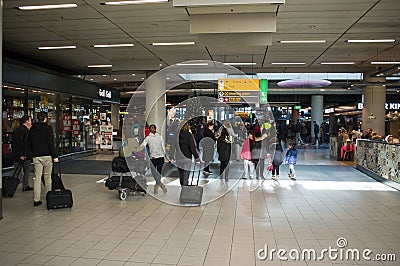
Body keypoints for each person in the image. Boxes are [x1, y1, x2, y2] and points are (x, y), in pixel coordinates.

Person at [27, 112, 59, 207]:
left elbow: (28, 143)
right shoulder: (48, 129)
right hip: (47, 156)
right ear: (45, 119)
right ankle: (49, 196)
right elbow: (50, 143)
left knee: (37, 177)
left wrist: (32, 154)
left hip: (36, 156)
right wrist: (55, 156)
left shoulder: (32, 129)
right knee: (47, 177)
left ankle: (36, 199)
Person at [141, 124, 167, 194]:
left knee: (154, 173)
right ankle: (161, 185)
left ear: (149, 130)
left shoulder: (148, 138)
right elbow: (163, 148)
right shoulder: (160, 137)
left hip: (153, 158)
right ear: (155, 129)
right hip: (161, 158)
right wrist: (166, 156)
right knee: (158, 173)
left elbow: (142, 146)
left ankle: (156, 187)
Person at [12, 115, 33, 192]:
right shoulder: (26, 131)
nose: (31, 122)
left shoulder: (16, 130)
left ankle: (10, 186)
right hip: (24, 155)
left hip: (16, 154)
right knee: (26, 171)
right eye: (30, 120)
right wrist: (23, 154)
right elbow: (25, 144)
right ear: (27, 121)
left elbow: (14, 144)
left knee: (16, 171)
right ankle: (25, 185)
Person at [176, 122, 200, 186]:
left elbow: (173, 145)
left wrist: (171, 155)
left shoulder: (177, 135)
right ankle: (185, 188)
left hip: (178, 157)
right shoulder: (189, 135)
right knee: (186, 175)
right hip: (187, 157)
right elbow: (192, 147)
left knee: (181, 174)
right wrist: (196, 157)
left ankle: (182, 186)